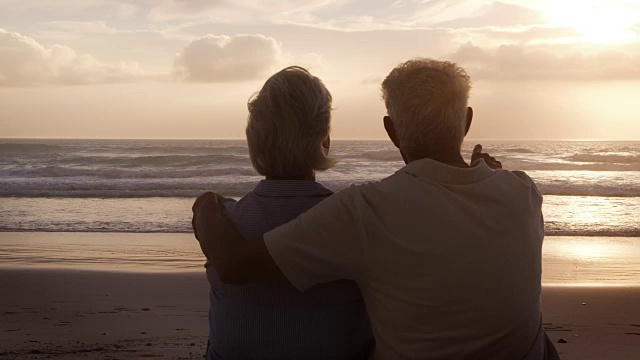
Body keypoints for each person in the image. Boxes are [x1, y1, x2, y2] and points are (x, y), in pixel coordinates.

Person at [193, 58, 558, 359]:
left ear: (391, 131)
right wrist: (494, 175)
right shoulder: (524, 193)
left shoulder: (368, 210)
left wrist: (205, 205)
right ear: (466, 121)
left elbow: (235, 265)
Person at [199, 66, 374, 360]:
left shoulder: (221, 222)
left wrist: (204, 204)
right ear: (325, 142)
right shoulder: (357, 222)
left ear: (252, 142)